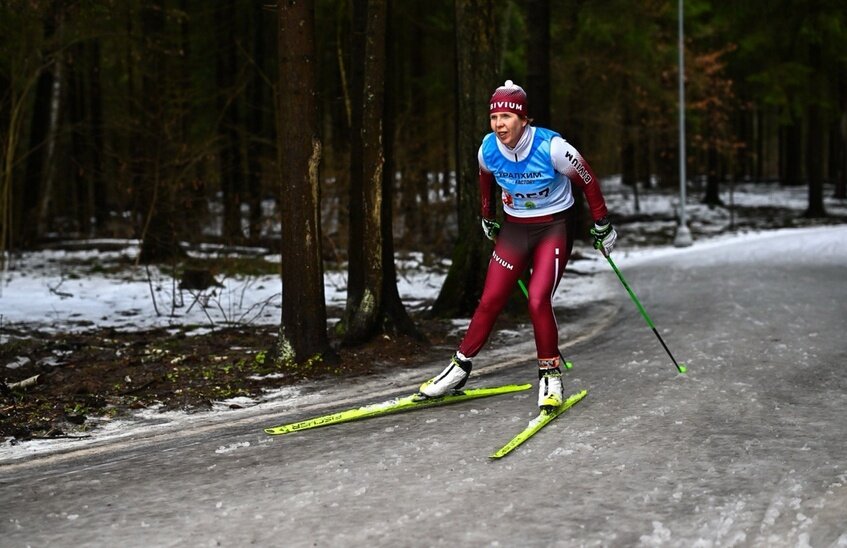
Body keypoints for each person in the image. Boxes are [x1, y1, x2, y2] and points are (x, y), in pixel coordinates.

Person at [420, 80, 617, 409]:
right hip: (514, 228)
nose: (499, 124)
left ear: (524, 119)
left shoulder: (552, 147)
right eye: (494, 117)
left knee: (538, 299)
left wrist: (602, 223)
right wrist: (488, 215)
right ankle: (458, 368)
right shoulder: (487, 148)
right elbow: (485, 178)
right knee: (490, 300)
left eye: (506, 117)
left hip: (553, 227)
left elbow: (587, 179)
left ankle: (550, 376)